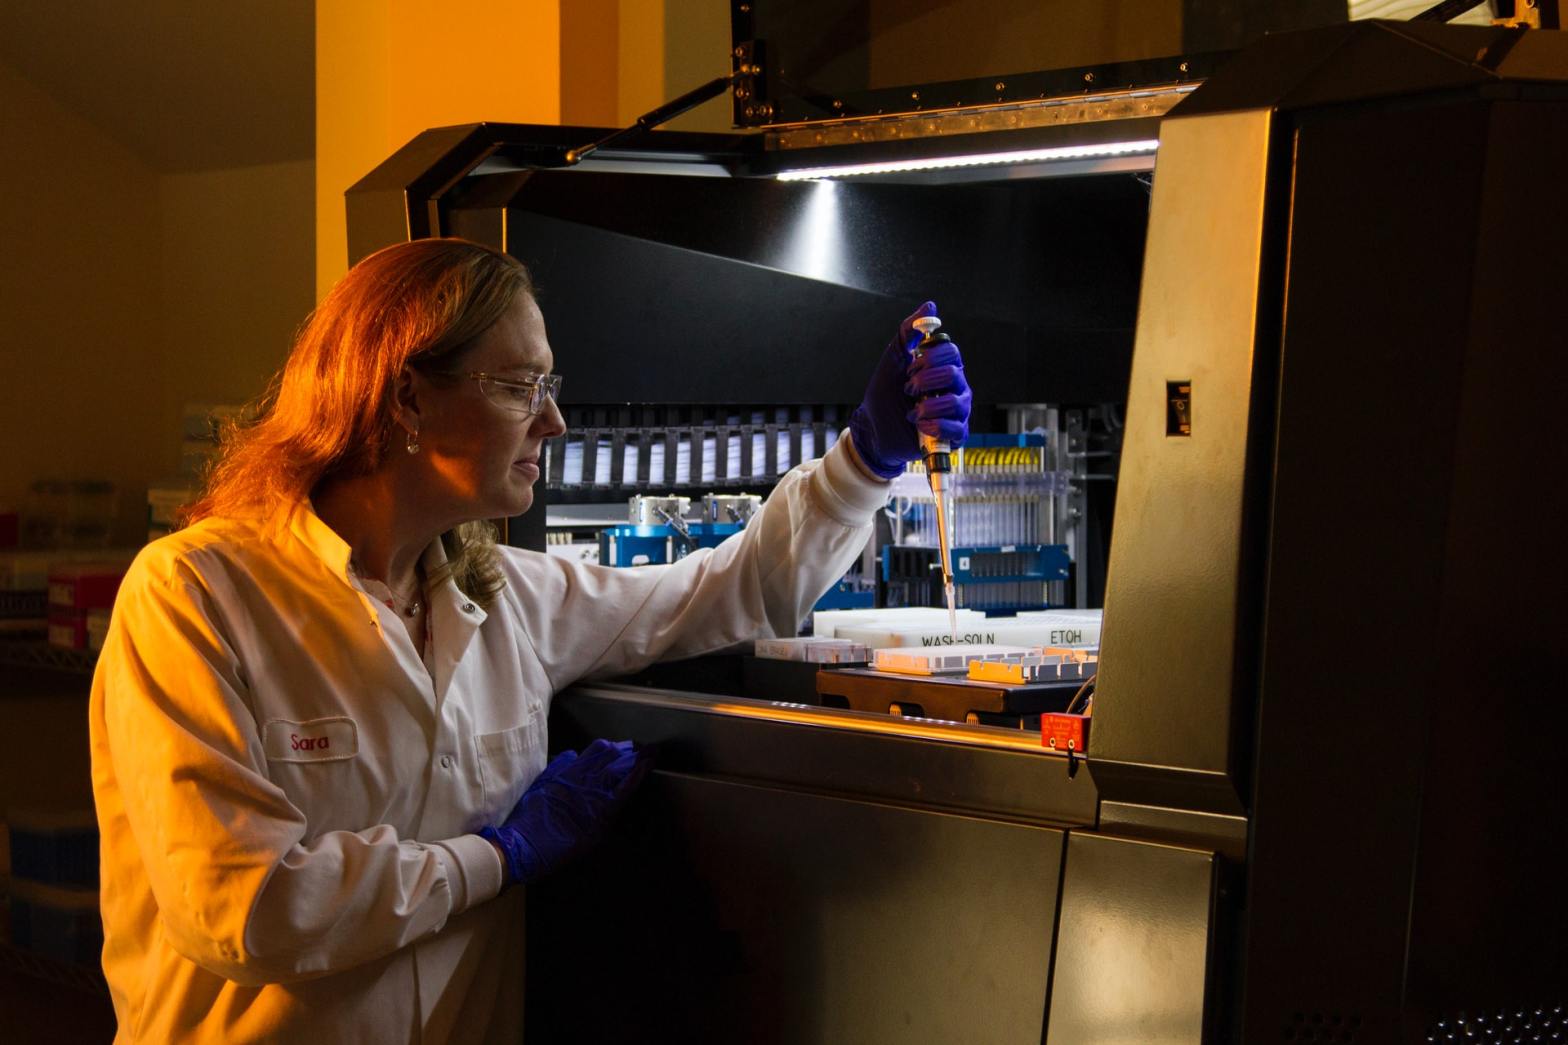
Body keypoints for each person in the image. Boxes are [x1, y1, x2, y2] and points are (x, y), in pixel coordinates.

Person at [88, 237, 971, 1044]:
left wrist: (866, 459)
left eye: (549, 387)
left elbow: (730, 587)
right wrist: (495, 858)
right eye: (520, 388)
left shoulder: (503, 594)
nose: (553, 422)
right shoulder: (195, 595)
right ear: (406, 396)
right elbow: (242, 903)